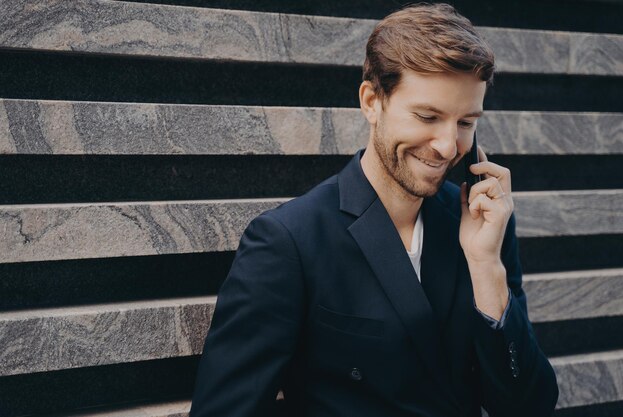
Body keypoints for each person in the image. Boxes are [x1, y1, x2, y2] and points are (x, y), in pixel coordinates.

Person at [190, 3, 559, 416]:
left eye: (465, 123)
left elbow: (530, 407)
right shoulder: (288, 241)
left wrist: (487, 267)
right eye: (427, 116)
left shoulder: (482, 228)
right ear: (371, 101)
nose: (446, 145)